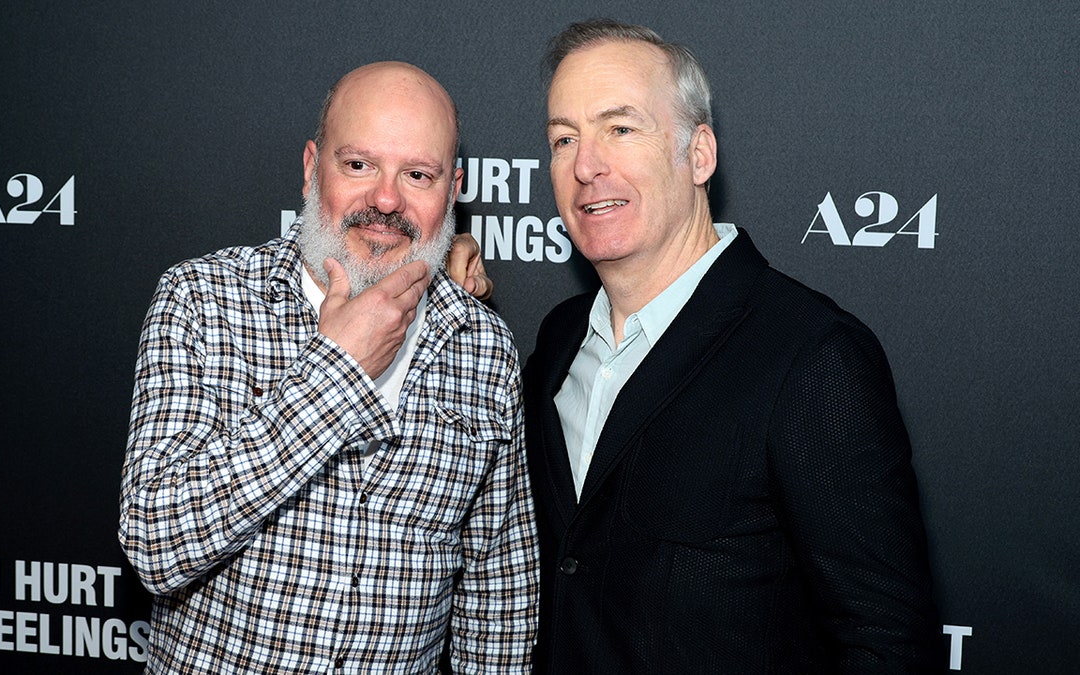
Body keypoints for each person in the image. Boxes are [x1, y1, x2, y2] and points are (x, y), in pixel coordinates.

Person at [522, 19, 943, 672]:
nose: (585, 165)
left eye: (620, 128)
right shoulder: (555, 341)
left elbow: (884, 638)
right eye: (563, 138)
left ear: (699, 155)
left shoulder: (813, 358)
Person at [119, 60, 535, 673]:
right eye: (359, 165)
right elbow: (154, 544)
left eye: (417, 174)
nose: (386, 199)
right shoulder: (203, 300)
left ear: (452, 190)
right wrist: (335, 371)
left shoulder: (484, 347)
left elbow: (498, 597)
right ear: (313, 168)